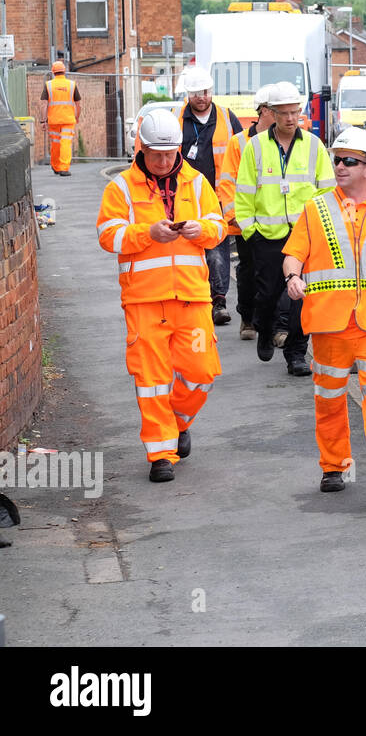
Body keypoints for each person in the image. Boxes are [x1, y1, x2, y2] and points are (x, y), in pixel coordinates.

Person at [283, 127, 366, 507]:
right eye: (336, 159)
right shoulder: (315, 208)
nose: (339, 166)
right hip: (329, 323)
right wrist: (293, 275)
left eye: (348, 161)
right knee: (329, 399)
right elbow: (294, 252)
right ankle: (334, 465)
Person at [95, 107, 224, 482]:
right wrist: (147, 233)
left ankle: (177, 422)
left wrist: (201, 229)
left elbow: (218, 227)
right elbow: (108, 235)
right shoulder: (120, 188)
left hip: (192, 297)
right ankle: (161, 454)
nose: (165, 161)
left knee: (202, 372)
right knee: (151, 379)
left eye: (170, 154)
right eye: (157, 155)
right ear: (142, 148)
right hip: (144, 301)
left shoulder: (197, 183)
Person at [233, 81, 335, 376]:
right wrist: (251, 232)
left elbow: (326, 192)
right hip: (266, 236)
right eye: (285, 113)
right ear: (271, 113)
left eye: (295, 112)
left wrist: (316, 227)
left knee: (301, 297)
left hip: (305, 236)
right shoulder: (255, 147)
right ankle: (264, 331)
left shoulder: (315, 146)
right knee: (266, 296)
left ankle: (296, 354)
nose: (291, 119)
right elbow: (244, 193)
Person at [177, 66, 243, 327]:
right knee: (187, 249)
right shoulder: (177, 118)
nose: (201, 97)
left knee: (216, 251)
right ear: (188, 94)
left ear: (211, 91)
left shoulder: (227, 118)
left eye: (204, 92)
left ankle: (218, 301)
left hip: (217, 198)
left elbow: (242, 153)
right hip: (184, 196)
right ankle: (193, 299)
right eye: (195, 93)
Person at [217, 87, 276, 341]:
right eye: (279, 110)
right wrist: (236, 216)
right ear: (264, 110)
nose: (287, 116)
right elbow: (228, 182)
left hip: (277, 221)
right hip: (246, 223)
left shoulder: (287, 140)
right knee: (250, 271)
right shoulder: (239, 142)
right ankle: (248, 318)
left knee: (276, 273)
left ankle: (275, 324)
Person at [40, 60, 81, 176]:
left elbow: (43, 104)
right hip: (68, 120)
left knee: (56, 143)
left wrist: (43, 120)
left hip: (53, 120)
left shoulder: (48, 85)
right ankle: (64, 168)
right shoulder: (72, 85)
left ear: (53, 72)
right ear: (64, 71)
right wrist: (77, 117)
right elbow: (78, 104)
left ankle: (56, 166)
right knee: (66, 143)